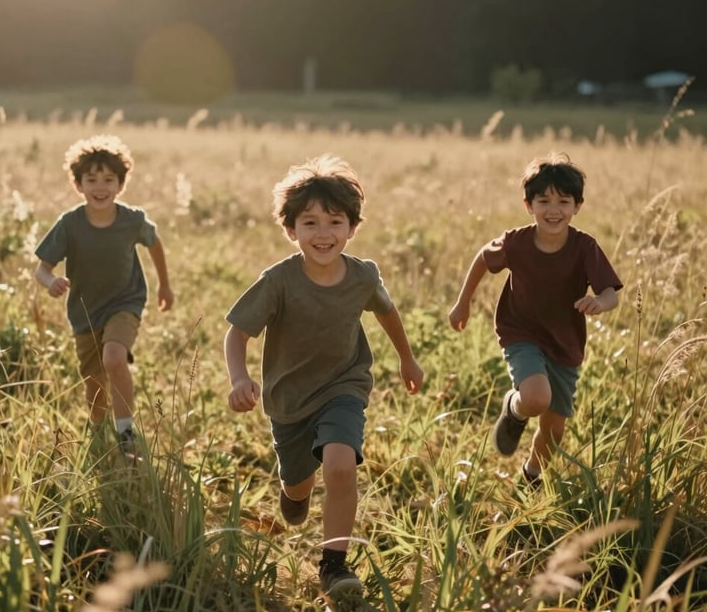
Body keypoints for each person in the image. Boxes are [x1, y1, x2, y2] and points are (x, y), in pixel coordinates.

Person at [224, 155, 423, 596]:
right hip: (289, 400)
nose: (323, 233)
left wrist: (408, 360)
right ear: (291, 229)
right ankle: (294, 495)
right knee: (298, 486)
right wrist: (239, 379)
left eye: (334, 222)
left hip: (343, 386)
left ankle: (334, 566)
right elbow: (237, 334)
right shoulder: (278, 281)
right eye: (310, 223)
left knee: (339, 462)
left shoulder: (363, 276)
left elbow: (388, 315)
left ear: (352, 228)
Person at [448, 151, 622, 486]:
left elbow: (611, 293)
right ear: (528, 205)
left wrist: (599, 301)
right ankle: (514, 409)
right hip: (521, 332)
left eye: (563, 201)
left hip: (565, 344)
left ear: (577, 206)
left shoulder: (585, 247)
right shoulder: (516, 242)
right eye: (543, 201)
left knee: (554, 429)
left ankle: (531, 476)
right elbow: (484, 258)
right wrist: (462, 302)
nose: (553, 210)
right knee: (536, 398)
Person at [34, 135, 174, 457]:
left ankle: (125, 433)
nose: (100, 187)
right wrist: (50, 281)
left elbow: (155, 243)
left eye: (109, 179)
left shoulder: (132, 220)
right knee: (94, 382)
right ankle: (98, 430)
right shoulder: (69, 224)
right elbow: (41, 268)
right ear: (78, 185)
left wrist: (165, 285)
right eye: (91, 180)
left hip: (126, 302)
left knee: (114, 358)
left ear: (120, 184)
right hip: (84, 311)